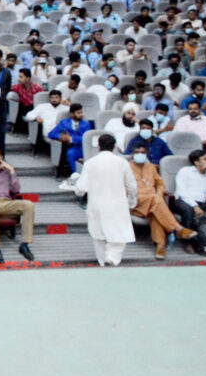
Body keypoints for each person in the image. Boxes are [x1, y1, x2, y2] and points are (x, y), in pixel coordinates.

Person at [74, 133, 138, 267]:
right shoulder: (122, 162)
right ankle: (111, 259)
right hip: (117, 204)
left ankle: (104, 262)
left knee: (99, 236)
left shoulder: (90, 163)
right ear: (114, 146)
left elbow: (80, 188)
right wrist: (132, 201)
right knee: (118, 235)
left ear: (98, 146)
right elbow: (132, 186)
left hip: (96, 204)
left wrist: (79, 192)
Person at [128, 143, 196, 259]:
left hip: (153, 201)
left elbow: (160, 184)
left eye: (143, 153)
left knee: (156, 211)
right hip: (135, 202)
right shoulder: (126, 167)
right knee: (156, 202)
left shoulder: (150, 167)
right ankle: (177, 228)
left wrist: (159, 193)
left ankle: (160, 246)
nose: (140, 155)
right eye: (137, 153)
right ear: (132, 154)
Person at [173, 150, 206, 252]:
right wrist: (194, 206)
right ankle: (188, 242)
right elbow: (181, 191)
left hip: (201, 203)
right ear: (196, 162)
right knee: (188, 211)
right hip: (184, 201)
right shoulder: (185, 171)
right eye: (205, 159)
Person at [49, 102, 92, 181]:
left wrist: (71, 139)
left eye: (81, 112)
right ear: (72, 114)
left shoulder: (86, 124)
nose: (81, 115)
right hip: (69, 147)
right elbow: (51, 133)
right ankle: (77, 176)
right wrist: (60, 136)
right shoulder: (64, 122)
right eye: (78, 113)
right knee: (70, 153)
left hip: (82, 147)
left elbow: (86, 138)